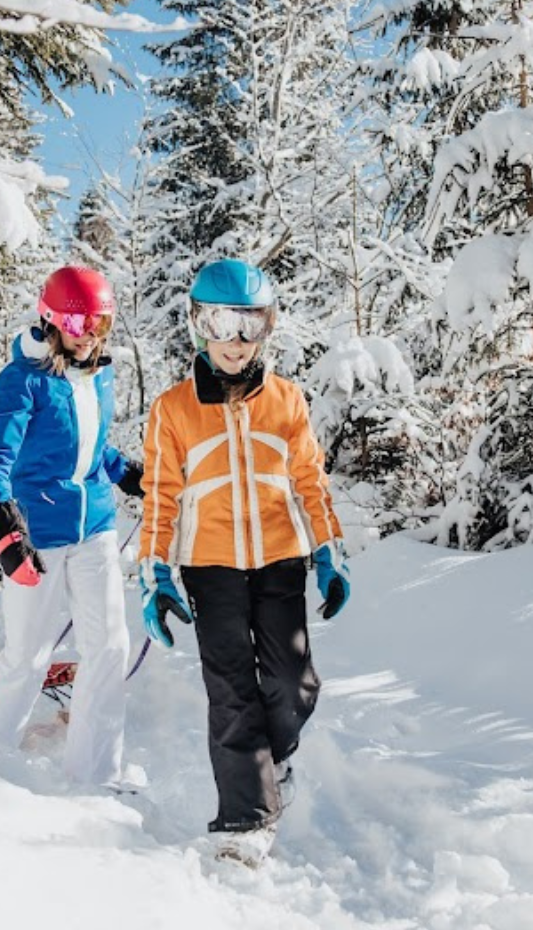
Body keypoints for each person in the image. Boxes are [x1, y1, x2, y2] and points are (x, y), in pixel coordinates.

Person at [138, 257, 350, 857]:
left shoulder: (286, 400)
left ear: (268, 326)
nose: (235, 341)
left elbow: (310, 482)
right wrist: (156, 573)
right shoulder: (173, 409)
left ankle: (273, 763)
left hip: (280, 558)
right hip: (211, 568)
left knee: (292, 683)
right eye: (220, 323)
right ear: (197, 325)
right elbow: (160, 496)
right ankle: (245, 823)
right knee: (231, 689)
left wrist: (329, 552)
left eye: (249, 325)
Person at [0, 265, 144, 787]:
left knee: (109, 647)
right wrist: (3, 522)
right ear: (50, 321)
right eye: (75, 323)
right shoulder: (24, 379)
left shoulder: (100, 374)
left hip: (95, 525)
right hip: (38, 532)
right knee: (28, 651)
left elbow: (90, 446)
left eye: (98, 323)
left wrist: (127, 473)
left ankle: (95, 773)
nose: (88, 334)